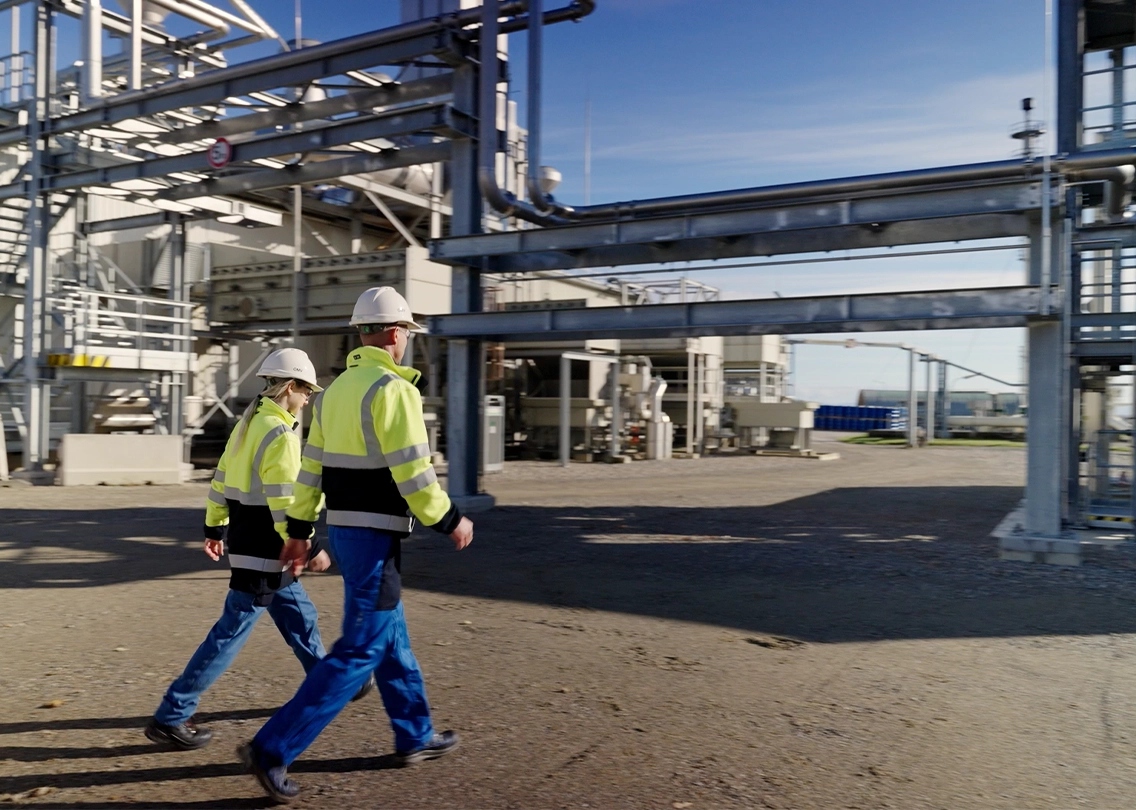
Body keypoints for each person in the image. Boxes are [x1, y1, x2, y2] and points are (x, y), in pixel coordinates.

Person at [239, 287, 474, 802]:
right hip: (375, 535)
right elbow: (414, 471)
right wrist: (449, 518)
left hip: (345, 532)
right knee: (361, 647)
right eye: (406, 331)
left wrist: (299, 531)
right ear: (396, 333)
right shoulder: (394, 390)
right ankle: (272, 747)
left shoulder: (336, 392)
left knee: (390, 635)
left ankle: (415, 734)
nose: (406, 339)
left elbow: (311, 471)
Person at [145, 348, 374, 750]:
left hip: (253, 546)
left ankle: (332, 681)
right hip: (267, 551)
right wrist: (309, 547)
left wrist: (214, 526)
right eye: (307, 391)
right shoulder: (280, 434)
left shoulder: (249, 423)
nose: (309, 399)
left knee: (301, 617)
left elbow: (220, 480)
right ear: (290, 387)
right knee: (229, 633)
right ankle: (172, 714)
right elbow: (285, 502)